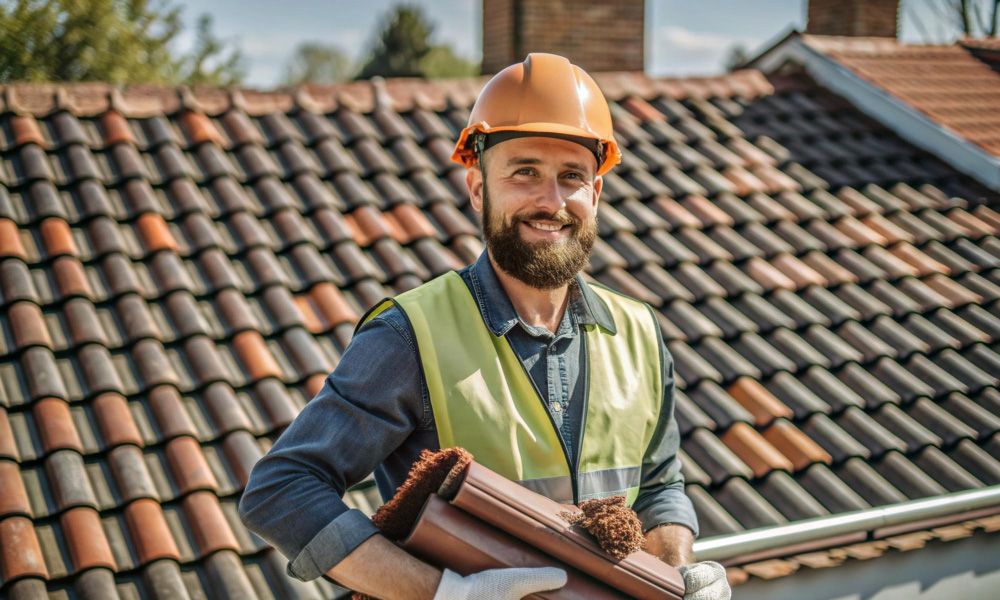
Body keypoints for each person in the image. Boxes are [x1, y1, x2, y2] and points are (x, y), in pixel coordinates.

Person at [239, 53, 731, 600]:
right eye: (524, 172)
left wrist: (679, 577)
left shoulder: (638, 331)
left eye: (572, 176)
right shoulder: (410, 334)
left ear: (595, 194)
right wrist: (442, 593)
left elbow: (659, 489)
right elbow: (282, 490)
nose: (551, 201)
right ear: (478, 190)